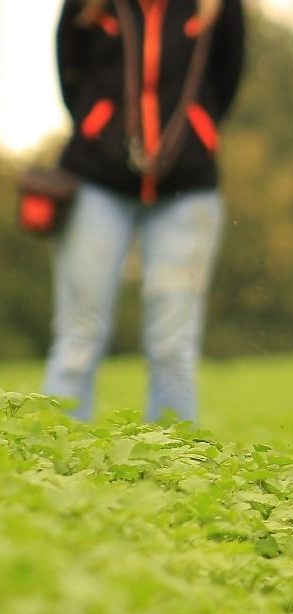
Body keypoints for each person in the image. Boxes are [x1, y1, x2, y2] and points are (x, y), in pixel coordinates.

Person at [44, 0, 245, 421]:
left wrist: (193, 135)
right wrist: (99, 128)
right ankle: (53, 454)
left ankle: (173, 464)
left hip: (187, 189)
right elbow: (70, 71)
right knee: (78, 336)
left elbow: (227, 79)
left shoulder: (219, 7)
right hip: (95, 182)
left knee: (173, 345)